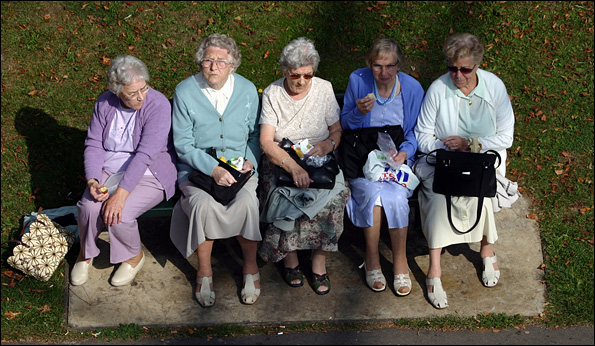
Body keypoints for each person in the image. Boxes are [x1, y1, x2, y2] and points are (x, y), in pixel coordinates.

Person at [414, 33, 515, 309]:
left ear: (478, 66)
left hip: (482, 162)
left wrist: (472, 145)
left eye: (465, 70)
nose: (458, 75)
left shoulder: (494, 87)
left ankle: (486, 248)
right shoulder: (438, 89)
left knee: (479, 193)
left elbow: (506, 137)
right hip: (444, 163)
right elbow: (422, 134)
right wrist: (447, 150)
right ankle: (435, 269)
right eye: (452, 68)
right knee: (437, 197)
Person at [169, 33, 262, 307]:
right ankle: (205, 272)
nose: (214, 66)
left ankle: (250, 267)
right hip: (197, 171)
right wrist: (213, 170)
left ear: (233, 64)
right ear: (200, 61)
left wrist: (250, 161)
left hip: (239, 171)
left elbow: (256, 135)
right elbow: (183, 144)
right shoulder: (185, 91)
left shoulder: (247, 90)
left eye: (221, 61)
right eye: (208, 60)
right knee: (203, 207)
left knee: (247, 203)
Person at [71, 55, 178, 287]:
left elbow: (145, 155)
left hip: (151, 170)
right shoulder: (104, 103)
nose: (141, 96)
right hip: (111, 167)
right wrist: (92, 180)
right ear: (117, 91)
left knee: (120, 213)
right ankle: (86, 252)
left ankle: (133, 256)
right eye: (132, 93)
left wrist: (121, 194)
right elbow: (94, 144)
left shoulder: (158, 105)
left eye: (144, 88)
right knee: (89, 206)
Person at [258, 37, 349, 295]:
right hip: (282, 159)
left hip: (318, 156)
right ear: (284, 71)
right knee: (284, 195)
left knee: (334, 197)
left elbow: (336, 130)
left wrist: (327, 146)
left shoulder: (324, 89)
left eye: (307, 75)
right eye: (295, 75)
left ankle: (319, 262)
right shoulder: (273, 93)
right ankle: (291, 260)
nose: (301, 81)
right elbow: (266, 142)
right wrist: (292, 167)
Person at [340, 38, 424, 296]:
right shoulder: (358, 80)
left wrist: (405, 153)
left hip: (394, 155)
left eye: (390, 66)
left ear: (399, 65)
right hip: (362, 157)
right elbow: (345, 125)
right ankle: (373, 258)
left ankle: (400, 263)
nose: (384, 72)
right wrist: (358, 112)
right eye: (377, 66)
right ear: (369, 64)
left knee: (397, 197)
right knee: (374, 198)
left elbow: (413, 132)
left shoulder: (411, 88)